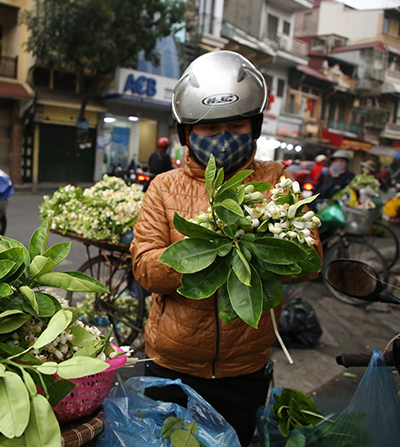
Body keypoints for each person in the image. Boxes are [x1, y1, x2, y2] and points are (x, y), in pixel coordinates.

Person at [129, 51, 322, 447]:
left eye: (237, 125)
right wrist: (207, 252)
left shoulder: (276, 181)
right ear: (186, 133)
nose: (224, 137)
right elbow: (146, 269)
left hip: (244, 366)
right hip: (172, 362)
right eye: (210, 128)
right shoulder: (164, 187)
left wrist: (261, 248)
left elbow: (310, 260)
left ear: (255, 127)